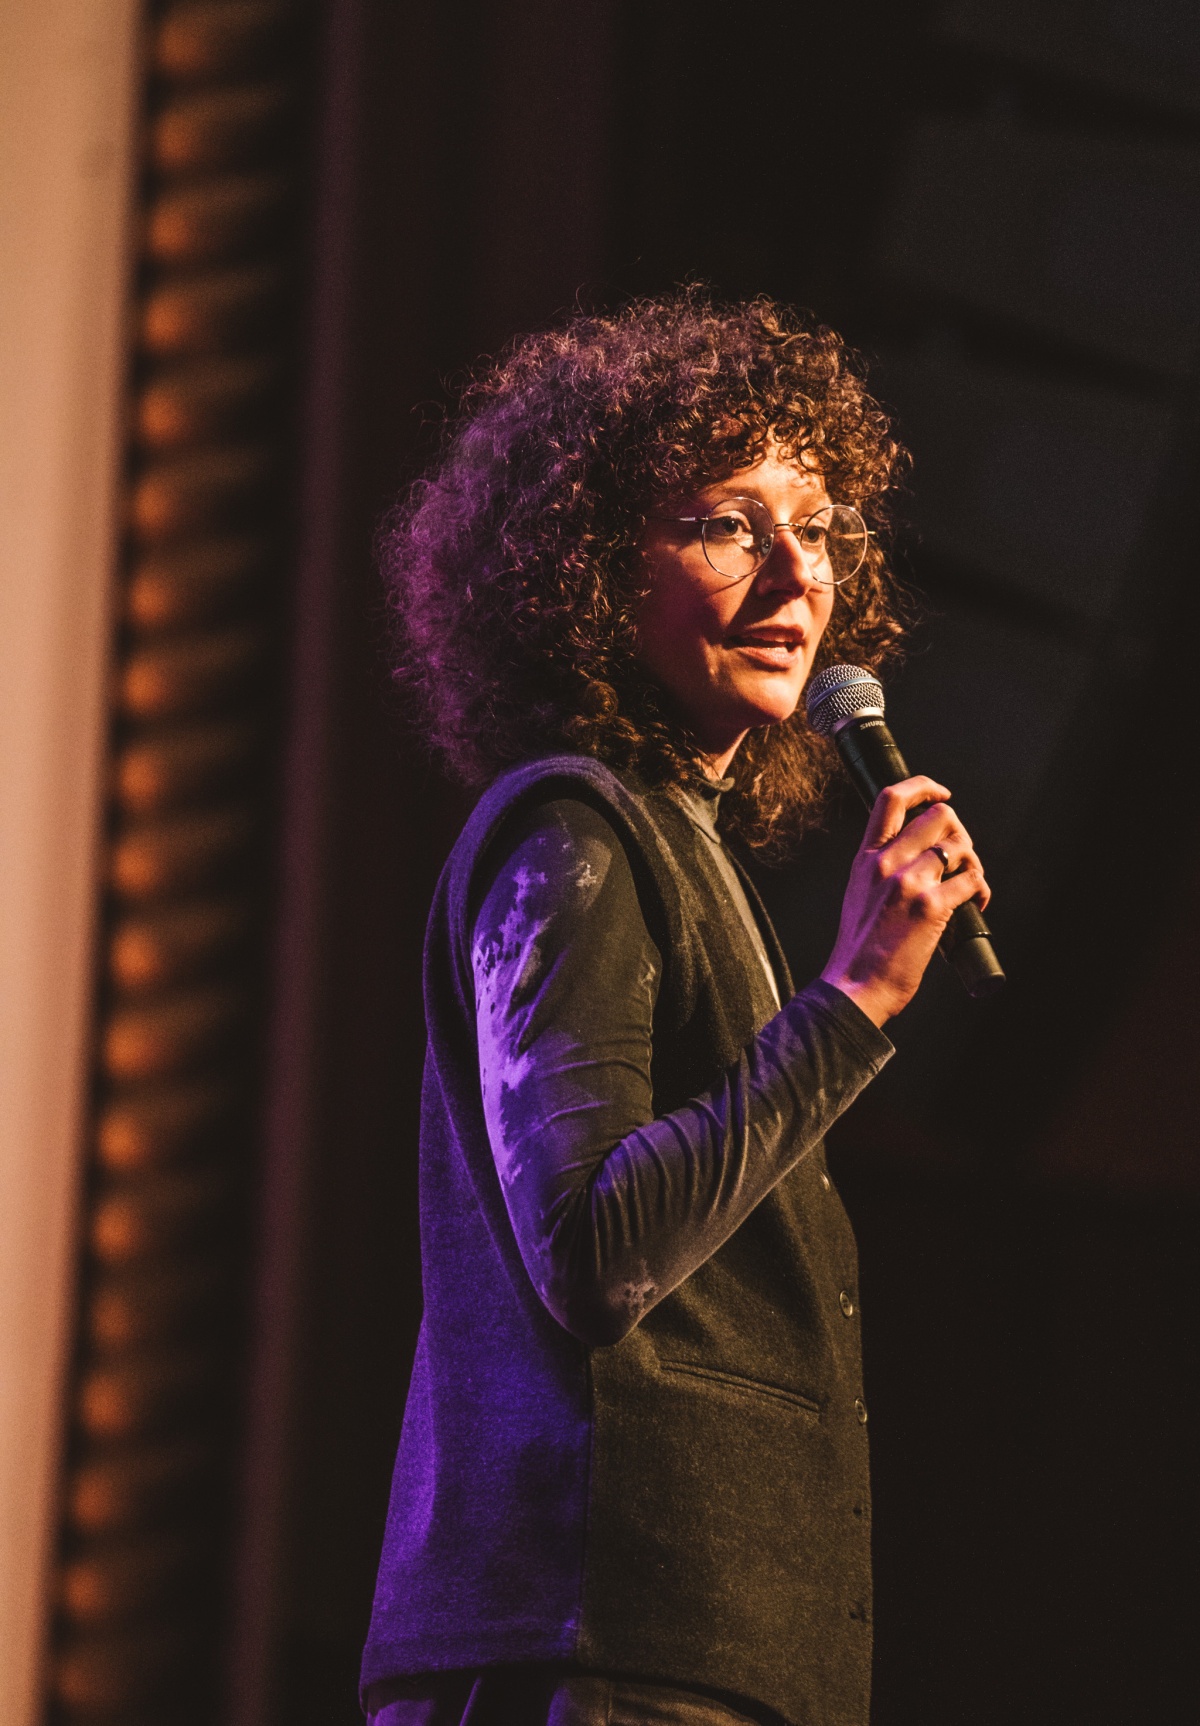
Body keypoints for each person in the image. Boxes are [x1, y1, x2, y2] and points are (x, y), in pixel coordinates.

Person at [360, 293, 988, 1726]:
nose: (796, 575)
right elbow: (593, 1248)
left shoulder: (684, 845)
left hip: (701, 1656)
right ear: (587, 570)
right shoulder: (572, 831)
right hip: (596, 1646)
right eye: (727, 525)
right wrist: (859, 995)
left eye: (817, 528)